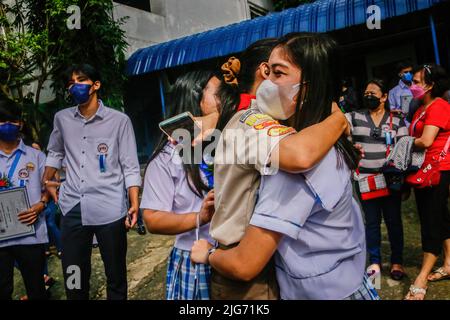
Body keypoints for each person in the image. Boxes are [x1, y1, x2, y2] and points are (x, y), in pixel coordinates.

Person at [191, 32, 378, 300]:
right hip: (347, 283)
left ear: (309, 87)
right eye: (267, 71)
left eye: (277, 73)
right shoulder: (327, 137)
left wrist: (207, 253)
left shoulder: (297, 162)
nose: (267, 81)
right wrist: (339, 119)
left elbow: (245, 263)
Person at [42, 64, 141, 300]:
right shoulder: (62, 119)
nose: (74, 85)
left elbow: (130, 165)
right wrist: (47, 180)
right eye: (70, 82)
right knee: (74, 274)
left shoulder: (119, 121)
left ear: (96, 85)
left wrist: (134, 202)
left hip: (109, 209)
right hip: (73, 207)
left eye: (81, 80)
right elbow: (55, 152)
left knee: (115, 274)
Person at [141, 70, 220, 300]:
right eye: (218, 93)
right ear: (196, 102)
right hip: (195, 261)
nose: (225, 98)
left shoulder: (225, 141)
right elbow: (153, 219)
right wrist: (199, 217)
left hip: (233, 256)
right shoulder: (166, 159)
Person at [346, 79, 409, 280]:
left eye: (373, 93)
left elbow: (403, 152)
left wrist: (404, 181)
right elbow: (340, 137)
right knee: (371, 222)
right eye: (366, 92)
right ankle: (375, 261)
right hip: (365, 180)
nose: (368, 95)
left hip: (390, 181)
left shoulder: (397, 121)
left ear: (383, 97)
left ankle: (397, 261)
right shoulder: (354, 117)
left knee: (393, 221)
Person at [405, 64, 450, 300]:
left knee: (430, 221)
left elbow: (425, 140)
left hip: (436, 170)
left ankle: (422, 276)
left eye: (416, 82)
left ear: (430, 85)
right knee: (440, 216)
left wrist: (403, 143)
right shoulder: (422, 108)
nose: (412, 86)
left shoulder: (440, 107)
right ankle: (449, 263)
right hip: (423, 169)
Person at [0, 98, 50, 300]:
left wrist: (41, 204)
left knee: (36, 289)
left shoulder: (36, 156)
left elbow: (49, 188)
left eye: (11, 121)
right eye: (1, 121)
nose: (6, 125)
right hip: (1, 239)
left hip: (31, 235)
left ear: (20, 123)